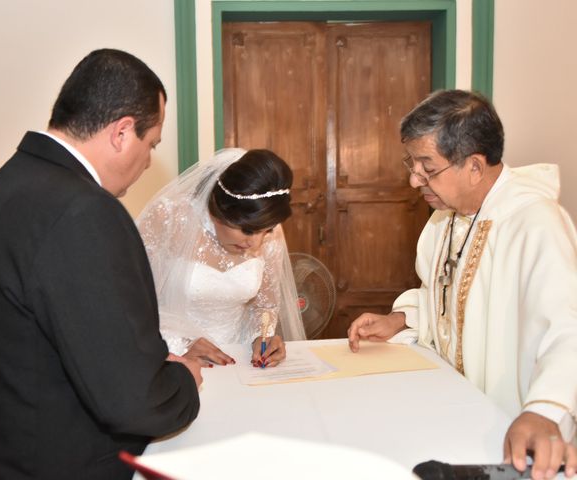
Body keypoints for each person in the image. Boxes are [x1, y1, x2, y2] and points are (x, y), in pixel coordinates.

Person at [0, 49, 201, 480]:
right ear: (123, 132)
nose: (147, 161)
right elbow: (133, 402)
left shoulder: (5, 185)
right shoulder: (84, 212)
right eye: (152, 144)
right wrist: (184, 380)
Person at [347, 90, 577, 479]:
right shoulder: (447, 216)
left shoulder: (535, 222)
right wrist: (401, 318)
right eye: (411, 163)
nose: (413, 178)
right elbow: (447, 295)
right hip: (458, 408)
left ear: (474, 166)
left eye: (427, 167)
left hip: (516, 425)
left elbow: (566, 325)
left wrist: (545, 408)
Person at [136, 148, 306, 368]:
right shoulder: (169, 217)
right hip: (173, 357)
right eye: (246, 230)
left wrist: (261, 336)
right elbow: (133, 301)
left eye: (267, 231)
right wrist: (180, 343)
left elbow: (265, 305)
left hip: (239, 361)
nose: (255, 243)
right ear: (219, 209)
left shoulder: (264, 225)